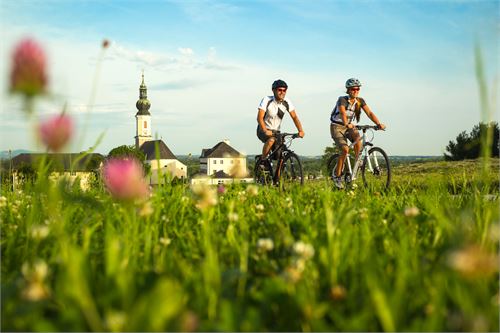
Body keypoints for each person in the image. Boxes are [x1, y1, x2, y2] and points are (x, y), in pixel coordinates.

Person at [330, 78, 386, 189]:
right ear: (348, 90)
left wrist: (378, 124)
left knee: (358, 141)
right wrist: (346, 123)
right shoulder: (342, 100)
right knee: (345, 149)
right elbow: (342, 113)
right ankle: (337, 177)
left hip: (350, 126)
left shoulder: (360, 101)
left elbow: (369, 112)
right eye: (353, 89)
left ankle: (357, 163)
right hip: (337, 126)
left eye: (357, 89)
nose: (355, 91)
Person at [256, 79, 304, 161]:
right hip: (263, 129)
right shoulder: (267, 100)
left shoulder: (287, 102)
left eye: (284, 90)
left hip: (276, 132)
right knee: (271, 140)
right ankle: (263, 161)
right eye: (280, 90)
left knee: (280, 154)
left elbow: (294, 117)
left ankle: (278, 174)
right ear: (273, 90)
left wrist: (300, 130)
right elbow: (259, 117)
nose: (282, 92)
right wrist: (265, 130)